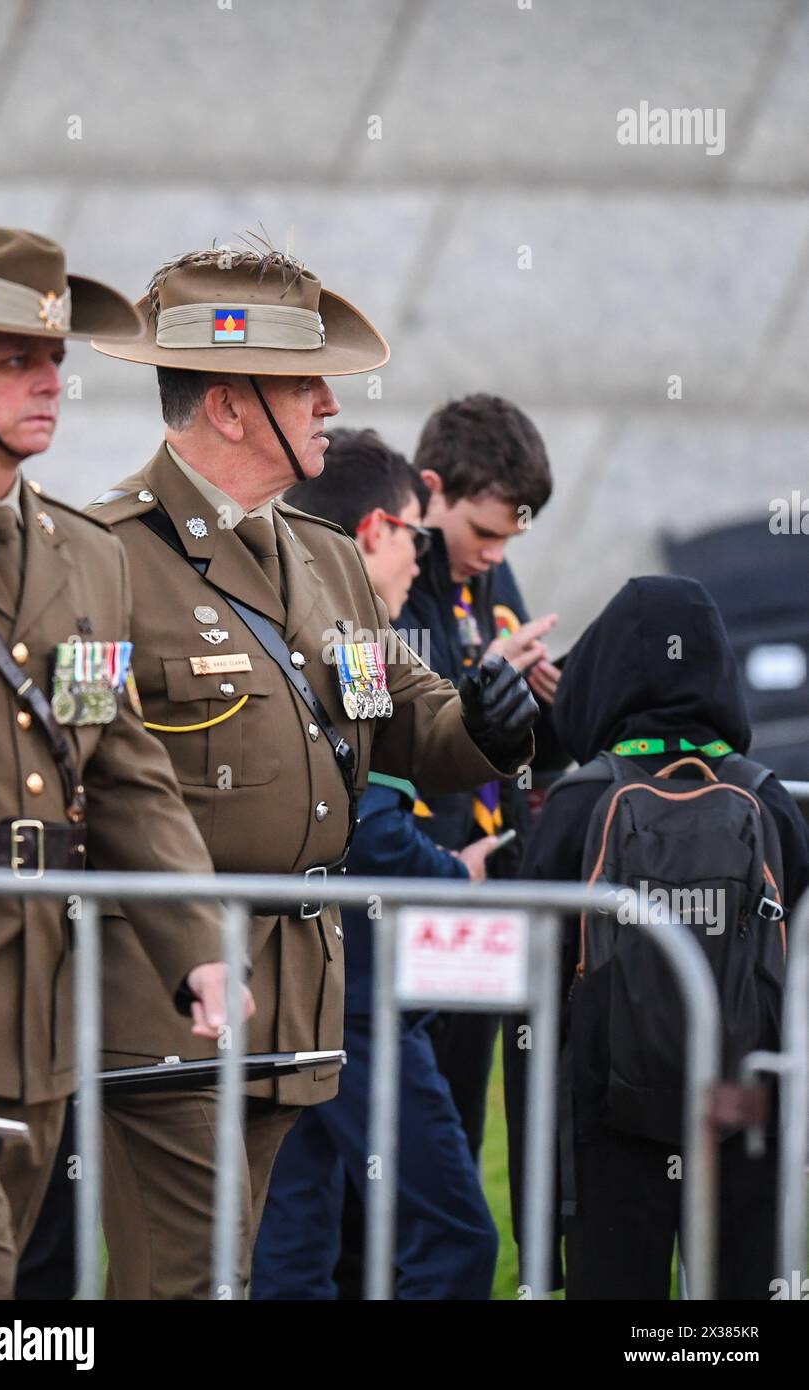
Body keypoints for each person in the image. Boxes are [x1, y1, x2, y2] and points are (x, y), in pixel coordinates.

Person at [83, 245, 540, 1295]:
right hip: (174, 1006)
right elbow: (76, 772)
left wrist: (482, 721)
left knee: (283, 1270)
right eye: (303, 383)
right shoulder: (101, 554)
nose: (332, 401)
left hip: (302, 999)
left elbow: (397, 715)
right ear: (233, 408)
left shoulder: (325, 556)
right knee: (180, 1280)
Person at [0, 224, 235, 1301]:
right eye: (12, 357)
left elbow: (118, 768)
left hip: (31, 1017)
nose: (49, 381)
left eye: (55, 357)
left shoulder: (87, 558)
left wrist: (198, 942)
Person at [251, 428, 500, 1299]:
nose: (421, 558)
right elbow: (374, 825)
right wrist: (459, 880)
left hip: (302, 986)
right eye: (415, 536)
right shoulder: (353, 642)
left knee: (296, 1241)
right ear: (372, 533)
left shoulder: (332, 638)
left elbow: (370, 789)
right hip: (348, 995)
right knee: (453, 1236)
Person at [523, 575, 809, 1298]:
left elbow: (532, 1001)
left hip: (608, 1117)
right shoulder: (768, 797)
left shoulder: (580, 801)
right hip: (748, 1113)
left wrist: (539, 1216)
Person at [399, 392, 561, 1164]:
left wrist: (554, 706)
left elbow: (522, 742)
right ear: (432, 489)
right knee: (398, 1137)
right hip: (410, 884)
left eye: (511, 536)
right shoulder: (388, 572)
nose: (497, 554)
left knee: (459, 1121)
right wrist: (484, 683)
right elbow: (390, 727)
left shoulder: (493, 577)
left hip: (488, 885)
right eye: (485, 532)